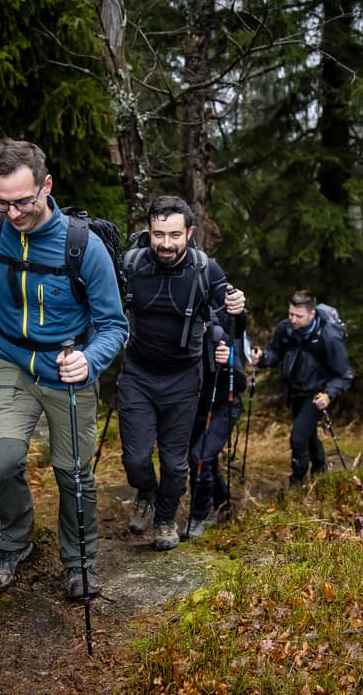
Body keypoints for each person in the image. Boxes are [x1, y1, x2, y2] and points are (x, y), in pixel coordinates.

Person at [0, 138, 128, 598]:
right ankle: (14, 542)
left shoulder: (84, 247)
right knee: (0, 460)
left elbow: (113, 326)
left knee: (73, 472)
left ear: (47, 185)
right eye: (0, 201)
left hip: (68, 369)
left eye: (23, 201)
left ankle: (79, 562)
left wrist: (89, 360)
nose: (12, 213)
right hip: (13, 362)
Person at [118, 196, 245, 551]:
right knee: (135, 458)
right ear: (149, 231)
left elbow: (231, 322)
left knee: (175, 464)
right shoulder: (131, 264)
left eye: (175, 235)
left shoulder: (206, 270)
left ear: (189, 232)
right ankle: (146, 491)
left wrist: (238, 308)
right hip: (138, 375)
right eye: (158, 234)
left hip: (183, 379)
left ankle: (164, 519)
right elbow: (105, 308)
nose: (166, 244)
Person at [251, 291, 353, 488]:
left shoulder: (328, 336)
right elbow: (275, 353)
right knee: (308, 433)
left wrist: (328, 395)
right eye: (291, 314)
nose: (293, 320)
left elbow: (343, 374)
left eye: (299, 316)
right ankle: (320, 471)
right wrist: (262, 357)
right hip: (295, 390)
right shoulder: (286, 329)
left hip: (317, 394)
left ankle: (297, 482)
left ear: (312, 314)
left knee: (298, 437)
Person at [184, 309, 248, 538]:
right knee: (204, 459)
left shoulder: (220, 336)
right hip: (198, 407)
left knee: (200, 457)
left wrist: (228, 362)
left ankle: (201, 516)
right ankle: (223, 504)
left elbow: (241, 382)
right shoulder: (181, 337)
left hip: (223, 407)